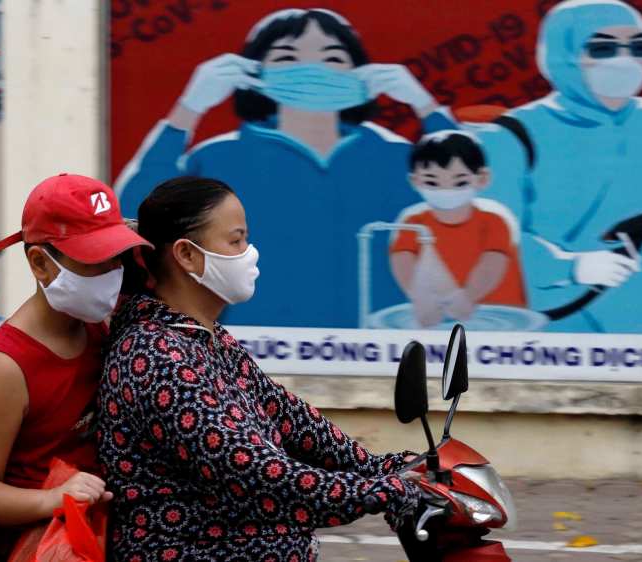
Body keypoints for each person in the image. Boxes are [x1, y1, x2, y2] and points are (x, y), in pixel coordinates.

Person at [97, 176, 420, 560]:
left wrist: (393, 465)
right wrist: (378, 492)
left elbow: (292, 419)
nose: (249, 253)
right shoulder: (153, 355)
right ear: (186, 255)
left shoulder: (206, 338)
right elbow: (252, 473)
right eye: (235, 241)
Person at [114, 8, 458, 328]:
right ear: (253, 73)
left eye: (333, 58)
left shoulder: (397, 157)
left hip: (379, 350)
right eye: (287, 57)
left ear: (362, 74)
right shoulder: (219, 156)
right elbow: (137, 217)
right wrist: (188, 108)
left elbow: (473, 195)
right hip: (250, 351)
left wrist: (424, 104)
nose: (314, 71)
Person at [473, 0, 642, 334]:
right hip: (538, 339)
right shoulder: (510, 137)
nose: (625, 61)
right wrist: (571, 267)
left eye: (639, 47)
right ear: (562, 53)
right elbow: (488, 241)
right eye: (603, 48)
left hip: (631, 347)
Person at [0, 174, 151, 552]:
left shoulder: (99, 326)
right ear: (40, 264)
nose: (112, 275)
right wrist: (55, 498)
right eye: (94, 261)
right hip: (37, 545)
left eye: (116, 258)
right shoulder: (5, 368)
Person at [390, 131, 526, 327]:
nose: (446, 190)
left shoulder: (493, 222)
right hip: (441, 322)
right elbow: (403, 260)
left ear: (482, 179)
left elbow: (492, 264)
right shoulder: (413, 223)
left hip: (500, 319)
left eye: (460, 182)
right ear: (415, 181)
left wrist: (467, 297)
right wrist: (421, 298)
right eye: (432, 182)